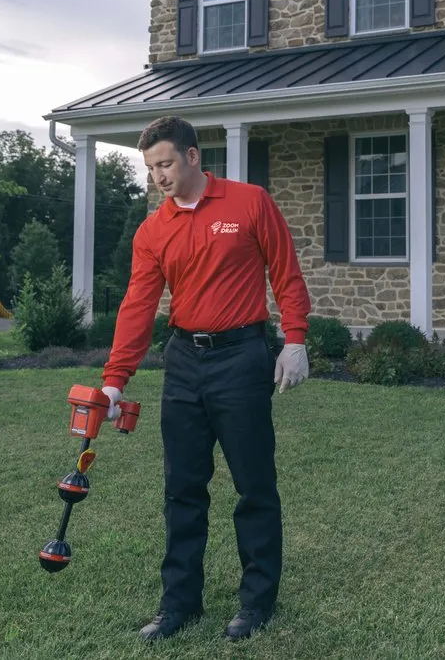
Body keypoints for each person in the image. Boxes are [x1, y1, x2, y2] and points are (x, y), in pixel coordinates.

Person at [98, 115, 311, 642]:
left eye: (165, 163)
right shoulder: (153, 231)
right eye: (150, 169)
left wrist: (297, 340)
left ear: (193, 156)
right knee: (182, 489)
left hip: (242, 358)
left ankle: (257, 602)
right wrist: (114, 380)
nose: (159, 177)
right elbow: (138, 306)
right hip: (184, 362)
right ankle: (178, 605)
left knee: (254, 486)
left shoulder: (249, 202)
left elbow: (286, 274)